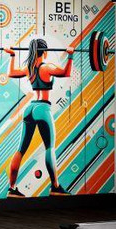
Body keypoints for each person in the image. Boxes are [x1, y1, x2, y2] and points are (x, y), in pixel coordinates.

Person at [6, 38, 73, 197]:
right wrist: (70, 56)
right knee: (50, 147)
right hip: (43, 108)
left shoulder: (28, 68)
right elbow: (66, 73)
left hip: (29, 109)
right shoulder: (47, 67)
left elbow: (11, 73)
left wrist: (12, 56)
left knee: (20, 149)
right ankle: (55, 186)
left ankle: (12, 188)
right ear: (45, 52)